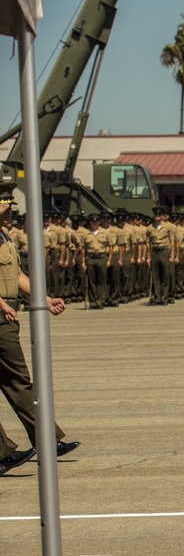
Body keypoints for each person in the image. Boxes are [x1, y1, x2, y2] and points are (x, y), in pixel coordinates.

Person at [0, 183, 79, 476]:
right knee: (19, 381)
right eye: (5, 202)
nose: (10, 208)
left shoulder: (4, 237)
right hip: (1, 314)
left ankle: (43, 442)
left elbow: (18, 275)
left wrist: (43, 300)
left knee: (19, 383)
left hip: (5, 318)